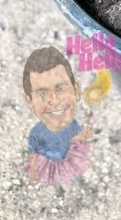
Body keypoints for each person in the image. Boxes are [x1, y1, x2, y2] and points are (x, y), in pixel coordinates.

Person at [23, 46, 92, 187]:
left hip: (68, 158)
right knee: (53, 178)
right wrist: (32, 168)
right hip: (50, 163)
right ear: (30, 101)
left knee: (73, 171)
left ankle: (76, 180)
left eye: (60, 88)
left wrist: (82, 137)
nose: (54, 100)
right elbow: (32, 152)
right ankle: (57, 187)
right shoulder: (36, 133)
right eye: (42, 93)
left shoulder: (72, 124)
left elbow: (76, 140)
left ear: (76, 90)